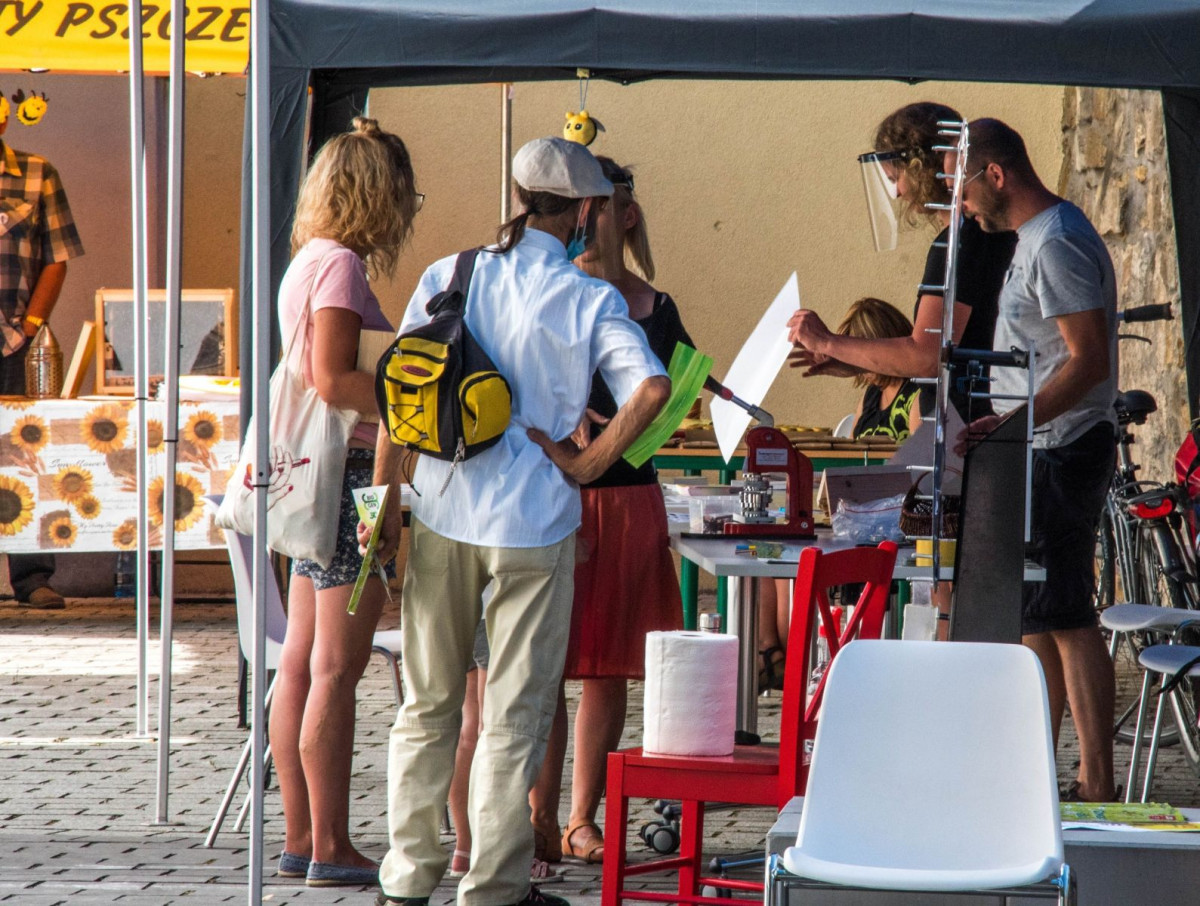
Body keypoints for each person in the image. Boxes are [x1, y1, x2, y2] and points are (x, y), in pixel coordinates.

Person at [368, 136, 670, 906]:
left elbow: (399, 395)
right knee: (515, 713)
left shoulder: (450, 273)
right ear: (586, 211)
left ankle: (406, 879)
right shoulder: (588, 296)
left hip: (443, 508)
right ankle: (495, 886)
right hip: (536, 523)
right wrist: (586, 465)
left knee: (427, 706)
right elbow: (651, 391)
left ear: (518, 196)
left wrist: (382, 505)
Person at [267, 117, 420, 888]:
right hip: (347, 479)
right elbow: (332, 379)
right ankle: (330, 842)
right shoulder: (342, 268)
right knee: (336, 667)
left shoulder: (309, 259)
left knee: (300, 663)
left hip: (309, 478)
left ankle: (303, 836)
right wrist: (407, 400)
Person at [528, 156, 690, 866]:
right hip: (555, 491)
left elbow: (673, 400)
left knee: (608, 667)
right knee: (545, 663)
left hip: (628, 496)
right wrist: (563, 417)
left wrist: (634, 427)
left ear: (625, 215)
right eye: (582, 208)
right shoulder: (553, 290)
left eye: (601, 207)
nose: (588, 221)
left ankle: (580, 819)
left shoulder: (657, 306)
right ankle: (537, 815)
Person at [952, 118, 1118, 802]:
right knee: (1038, 618)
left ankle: (1097, 782)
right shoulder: (1035, 238)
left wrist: (1016, 423)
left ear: (996, 174)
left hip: (1062, 447)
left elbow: (1088, 361)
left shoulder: (1056, 241)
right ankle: (1037, 777)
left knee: (1069, 615)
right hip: (1039, 447)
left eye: (963, 191)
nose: (962, 207)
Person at [788, 102, 1017, 422]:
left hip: (969, 424)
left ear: (921, 168)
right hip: (971, 419)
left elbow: (927, 356)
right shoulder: (974, 235)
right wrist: (855, 360)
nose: (896, 193)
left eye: (896, 177)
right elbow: (943, 352)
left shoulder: (962, 240)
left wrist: (829, 342)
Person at [757, 297, 918, 686]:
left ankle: (784, 664)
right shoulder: (870, 395)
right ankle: (770, 652)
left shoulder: (914, 395)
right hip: (853, 514)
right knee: (768, 549)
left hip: (885, 522)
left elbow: (914, 468)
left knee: (793, 556)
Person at [0, 101, 84, 610]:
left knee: (23, 457)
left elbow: (57, 257)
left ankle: (32, 577)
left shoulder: (37, 173)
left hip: (12, 342)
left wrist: (31, 326)